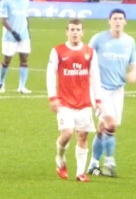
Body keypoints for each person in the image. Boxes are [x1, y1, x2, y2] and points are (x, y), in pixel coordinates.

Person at [46, 19, 103, 182]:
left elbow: (95, 77)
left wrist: (98, 100)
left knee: (83, 136)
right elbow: (50, 74)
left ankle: (80, 173)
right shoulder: (58, 51)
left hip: (84, 102)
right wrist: (52, 97)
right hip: (64, 102)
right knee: (67, 133)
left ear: (82, 32)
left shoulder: (90, 52)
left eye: (78, 29)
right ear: (67, 32)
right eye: (72, 29)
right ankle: (60, 159)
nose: (75, 32)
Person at [86, 9, 136, 178]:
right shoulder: (98, 39)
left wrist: (133, 73)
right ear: (109, 21)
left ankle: (93, 165)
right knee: (111, 124)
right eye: (115, 18)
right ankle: (110, 162)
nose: (117, 21)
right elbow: (84, 58)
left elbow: (134, 62)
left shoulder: (130, 42)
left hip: (118, 90)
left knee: (103, 128)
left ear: (125, 22)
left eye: (120, 18)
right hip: (99, 89)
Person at [0, 0, 31, 94]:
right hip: (9, 37)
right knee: (7, 60)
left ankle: (22, 87)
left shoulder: (25, 1)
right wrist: (13, 32)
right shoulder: (6, 2)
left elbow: (26, 17)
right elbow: (3, 20)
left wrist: (28, 32)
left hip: (24, 36)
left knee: (24, 60)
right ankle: (1, 82)